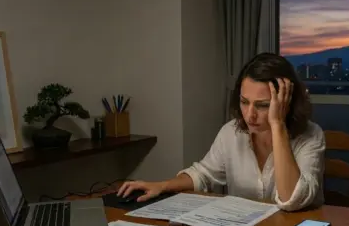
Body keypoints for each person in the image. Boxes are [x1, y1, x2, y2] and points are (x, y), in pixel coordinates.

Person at [117, 52, 326, 212]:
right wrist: (162, 186)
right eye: (245, 102)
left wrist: (277, 124)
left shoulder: (311, 136)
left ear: (285, 103)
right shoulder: (231, 133)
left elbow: (293, 199)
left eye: (263, 105)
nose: (250, 115)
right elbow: (204, 175)